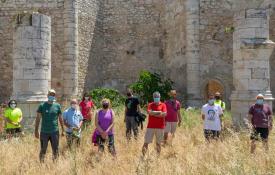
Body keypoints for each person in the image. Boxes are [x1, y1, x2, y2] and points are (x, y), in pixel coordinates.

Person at [35, 89, 64, 162]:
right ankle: (41, 164)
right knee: (43, 149)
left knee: (56, 149)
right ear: (47, 95)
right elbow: (38, 118)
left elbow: (60, 118)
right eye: (50, 94)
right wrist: (36, 130)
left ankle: (55, 164)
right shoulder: (42, 106)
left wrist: (63, 130)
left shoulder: (57, 106)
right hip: (44, 131)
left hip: (55, 131)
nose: (52, 96)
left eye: (53, 95)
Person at [142, 92, 167, 156]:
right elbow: (149, 112)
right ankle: (143, 156)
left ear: (159, 97)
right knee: (146, 142)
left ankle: (157, 157)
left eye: (157, 97)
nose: (156, 98)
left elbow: (164, 114)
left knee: (158, 143)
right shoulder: (150, 104)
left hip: (160, 127)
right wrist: (159, 112)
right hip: (150, 127)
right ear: (153, 98)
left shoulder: (163, 105)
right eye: (155, 97)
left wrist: (153, 113)